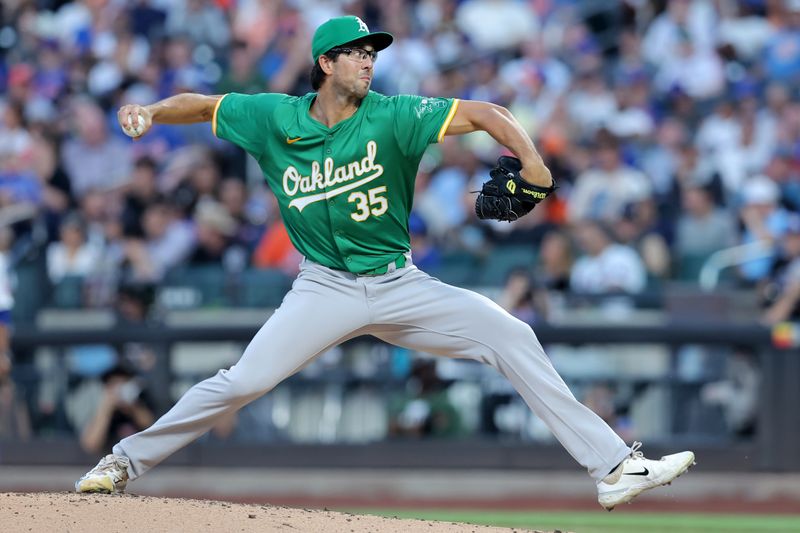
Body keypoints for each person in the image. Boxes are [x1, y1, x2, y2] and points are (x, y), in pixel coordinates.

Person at [75, 16, 694, 510]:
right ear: (325, 63)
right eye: (356, 52)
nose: (368, 60)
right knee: (242, 383)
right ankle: (123, 461)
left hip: (400, 284)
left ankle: (614, 467)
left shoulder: (393, 116)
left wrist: (536, 168)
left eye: (372, 52)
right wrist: (152, 112)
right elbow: (204, 105)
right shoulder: (274, 118)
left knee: (511, 334)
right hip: (322, 288)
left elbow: (487, 115)